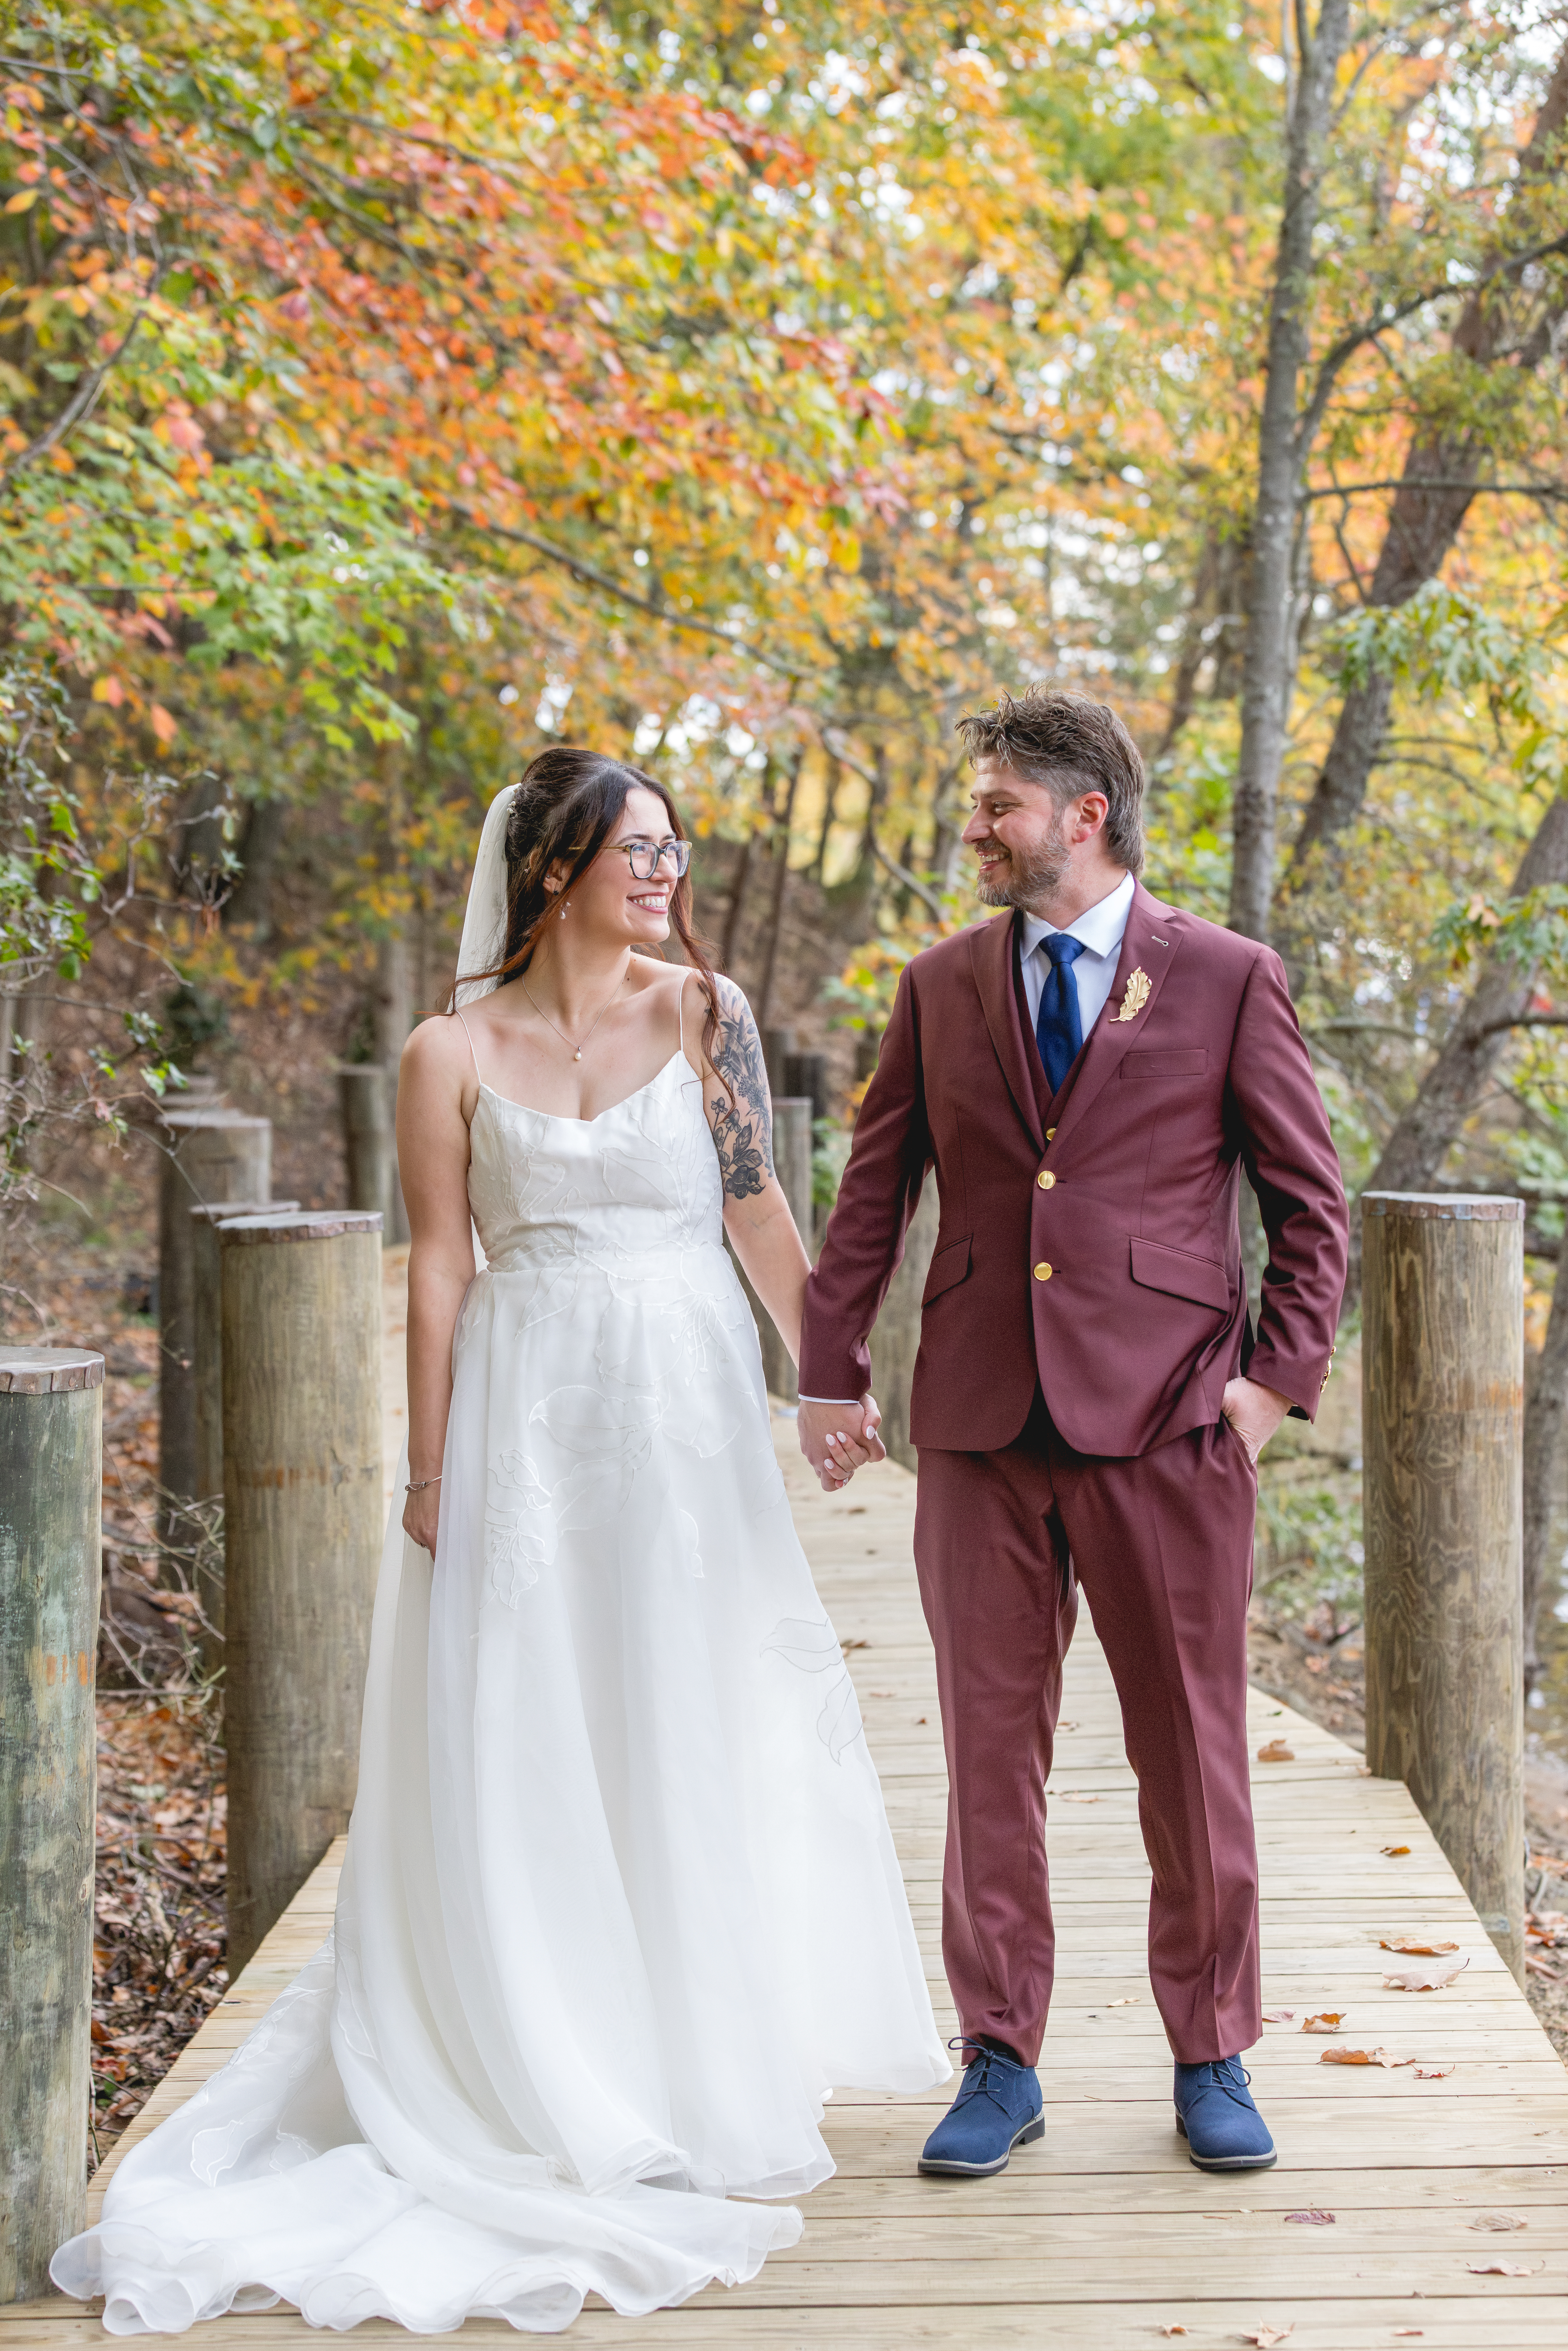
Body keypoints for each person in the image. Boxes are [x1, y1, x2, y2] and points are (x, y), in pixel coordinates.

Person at [54, 750, 947, 2335]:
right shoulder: (446, 1049)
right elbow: (444, 1266)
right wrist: (428, 1464)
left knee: (685, 1708)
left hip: (681, 1410)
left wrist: (823, 1374)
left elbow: (755, 1212)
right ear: (554, 870)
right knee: (537, 1720)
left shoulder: (706, 1016)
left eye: (674, 847)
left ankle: (693, 2050)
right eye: (636, 849)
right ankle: (546, 2049)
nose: (664, 872)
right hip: (528, 1417)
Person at [797, 689, 1348, 2180]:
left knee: (1191, 1752)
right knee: (989, 1757)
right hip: (976, 1423)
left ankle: (1211, 2052)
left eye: (995, 806)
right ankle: (1002, 2058)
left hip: (1171, 1423)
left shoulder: (1227, 979)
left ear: (1081, 814)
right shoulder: (937, 983)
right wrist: (830, 1371)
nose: (973, 828)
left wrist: (1263, 1390)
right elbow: (873, 1189)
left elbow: (1312, 1208)